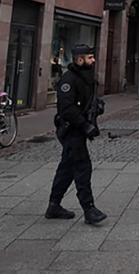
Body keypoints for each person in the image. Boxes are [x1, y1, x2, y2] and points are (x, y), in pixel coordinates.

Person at [46, 44, 107, 225]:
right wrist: (84, 125)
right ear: (80, 60)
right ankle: (89, 209)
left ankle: (53, 205)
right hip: (72, 130)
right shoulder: (69, 80)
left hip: (78, 130)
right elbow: (67, 108)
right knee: (82, 168)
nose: (93, 60)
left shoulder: (87, 79)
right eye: (90, 58)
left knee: (66, 169)